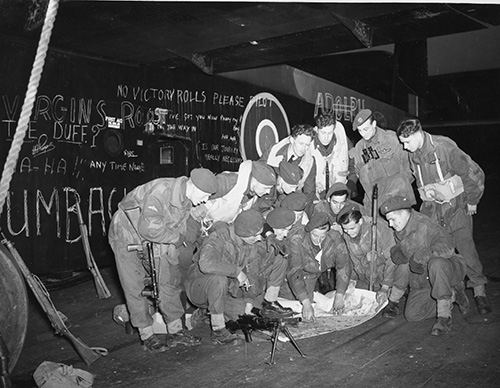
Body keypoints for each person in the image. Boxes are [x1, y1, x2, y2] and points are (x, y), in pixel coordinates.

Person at [108, 168, 218, 352]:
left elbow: (176, 229)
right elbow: (148, 228)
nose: (205, 200)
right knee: (134, 284)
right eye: (205, 195)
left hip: (158, 236)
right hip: (126, 234)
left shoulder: (187, 199)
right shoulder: (161, 190)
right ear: (193, 185)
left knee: (168, 280)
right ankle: (147, 335)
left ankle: (176, 331)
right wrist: (176, 239)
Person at [396, 118, 491, 314]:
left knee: (467, 250)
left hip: (456, 208)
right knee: (436, 251)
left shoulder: (445, 147)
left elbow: (474, 172)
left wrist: (472, 200)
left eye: (406, 142)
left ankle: (480, 293)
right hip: (432, 211)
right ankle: (453, 291)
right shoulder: (413, 155)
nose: (404, 148)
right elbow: (410, 178)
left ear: (417, 134)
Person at [185, 209, 289, 345]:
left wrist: (249, 302)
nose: (259, 238)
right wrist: (237, 272)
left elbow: (253, 274)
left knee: (250, 316)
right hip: (199, 286)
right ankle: (218, 330)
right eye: (256, 235)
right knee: (219, 280)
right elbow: (206, 264)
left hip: (227, 290)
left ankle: (208, 313)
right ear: (244, 233)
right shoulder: (218, 237)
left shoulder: (250, 243)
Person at [380, 195, 469, 336]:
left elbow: (448, 246)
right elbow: (406, 252)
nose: (390, 224)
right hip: (424, 277)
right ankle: (450, 295)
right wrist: (397, 251)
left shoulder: (425, 224)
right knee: (412, 315)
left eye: (392, 219)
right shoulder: (401, 229)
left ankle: (444, 318)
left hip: (447, 269)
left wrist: (422, 256)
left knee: (436, 263)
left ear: (404, 213)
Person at [280, 212, 352, 321]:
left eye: (322, 236)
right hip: (291, 277)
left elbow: (343, 266)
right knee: (291, 311)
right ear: (309, 232)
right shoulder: (296, 240)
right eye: (315, 235)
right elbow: (294, 272)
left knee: (311, 312)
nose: (318, 240)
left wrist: (340, 294)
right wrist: (305, 302)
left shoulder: (335, 238)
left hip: (313, 275)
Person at [350, 109, 415, 213]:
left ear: (374, 124)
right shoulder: (359, 148)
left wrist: (398, 189)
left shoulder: (392, 139)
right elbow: (361, 177)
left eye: (366, 129)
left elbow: (409, 168)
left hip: (397, 199)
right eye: (360, 130)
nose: (363, 134)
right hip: (374, 202)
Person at [337, 203, 400, 307]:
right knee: (353, 303)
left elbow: (391, 259)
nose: (348, 233)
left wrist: (385, 287)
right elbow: (351, 261)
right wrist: (351, 280)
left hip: (388, 276)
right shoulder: (347, 235)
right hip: (366, 277)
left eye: (352, 228)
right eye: (345, 229)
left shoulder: (379, 228)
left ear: (360, 221)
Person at [192, 159, 276, 228]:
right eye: (266, 188)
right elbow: (196, 192)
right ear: (255, 180)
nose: (268, 192)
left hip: (217, 227)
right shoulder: (229, 181)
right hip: (197, 219)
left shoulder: (254, 195)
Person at [264, 123, 317, 200]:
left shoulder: (309, 163)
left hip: (289, 203)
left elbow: (309, 193)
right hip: (266, 199)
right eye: (301, 143)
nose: (304, 148)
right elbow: (259, 172)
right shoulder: (274, 150)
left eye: (307, 145)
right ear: (292, 140)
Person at [311, 111, 356, 200]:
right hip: (318, 195)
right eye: (323, 133)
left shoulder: (343, 140)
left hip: (341, 193)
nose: (326, 137)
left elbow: (354, 163)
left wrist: (351, 183)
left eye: (330, 133)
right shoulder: (307, 144)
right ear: (316, 129)